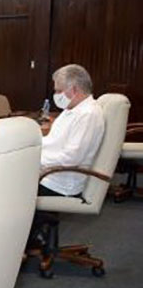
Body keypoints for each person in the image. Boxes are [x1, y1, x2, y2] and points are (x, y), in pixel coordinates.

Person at [39, 64, 104, 197]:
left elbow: (71, 159)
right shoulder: (72, 109)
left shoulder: (88, 115)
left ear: (74, 89)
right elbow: (53, 141)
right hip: (48, 172)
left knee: (4, 180)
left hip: (59, 182)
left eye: (59, 91)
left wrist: (34, 159)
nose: (56, 95)